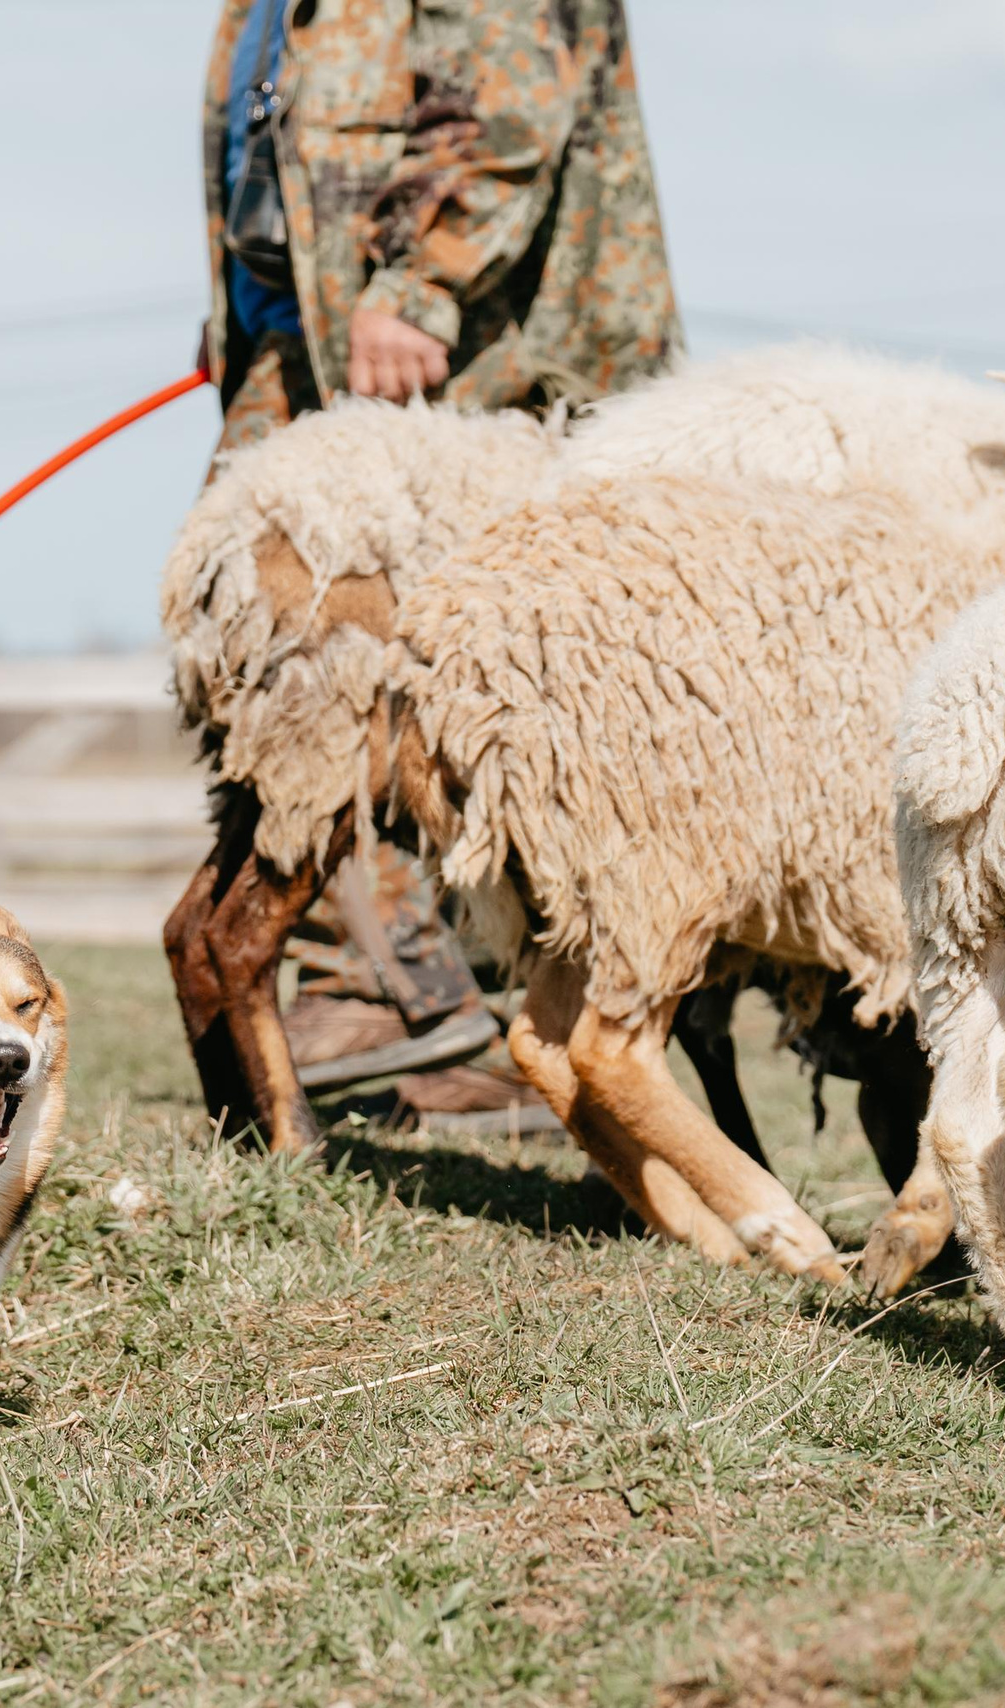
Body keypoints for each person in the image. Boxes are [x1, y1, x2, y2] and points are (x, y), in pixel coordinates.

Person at [193, 0, 684, 1112]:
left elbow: (506, 106)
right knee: (263, 661)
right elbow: (270, 146)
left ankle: (458, 1003)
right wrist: (243, 313)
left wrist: (422, 283)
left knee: (488, 690)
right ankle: (374, 986)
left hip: (481, 352)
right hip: (309, 340)